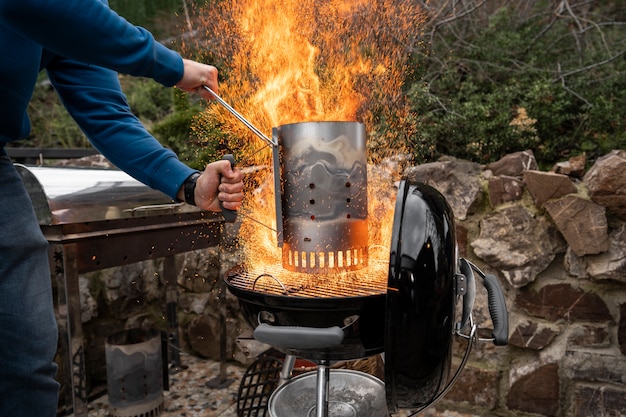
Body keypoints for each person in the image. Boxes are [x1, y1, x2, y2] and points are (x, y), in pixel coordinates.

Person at [0, 0, 244, 415]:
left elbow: (107, 114)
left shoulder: (81, 21)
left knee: (25, 360)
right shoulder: (73, 14)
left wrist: (186, 184)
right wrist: (172, 66)